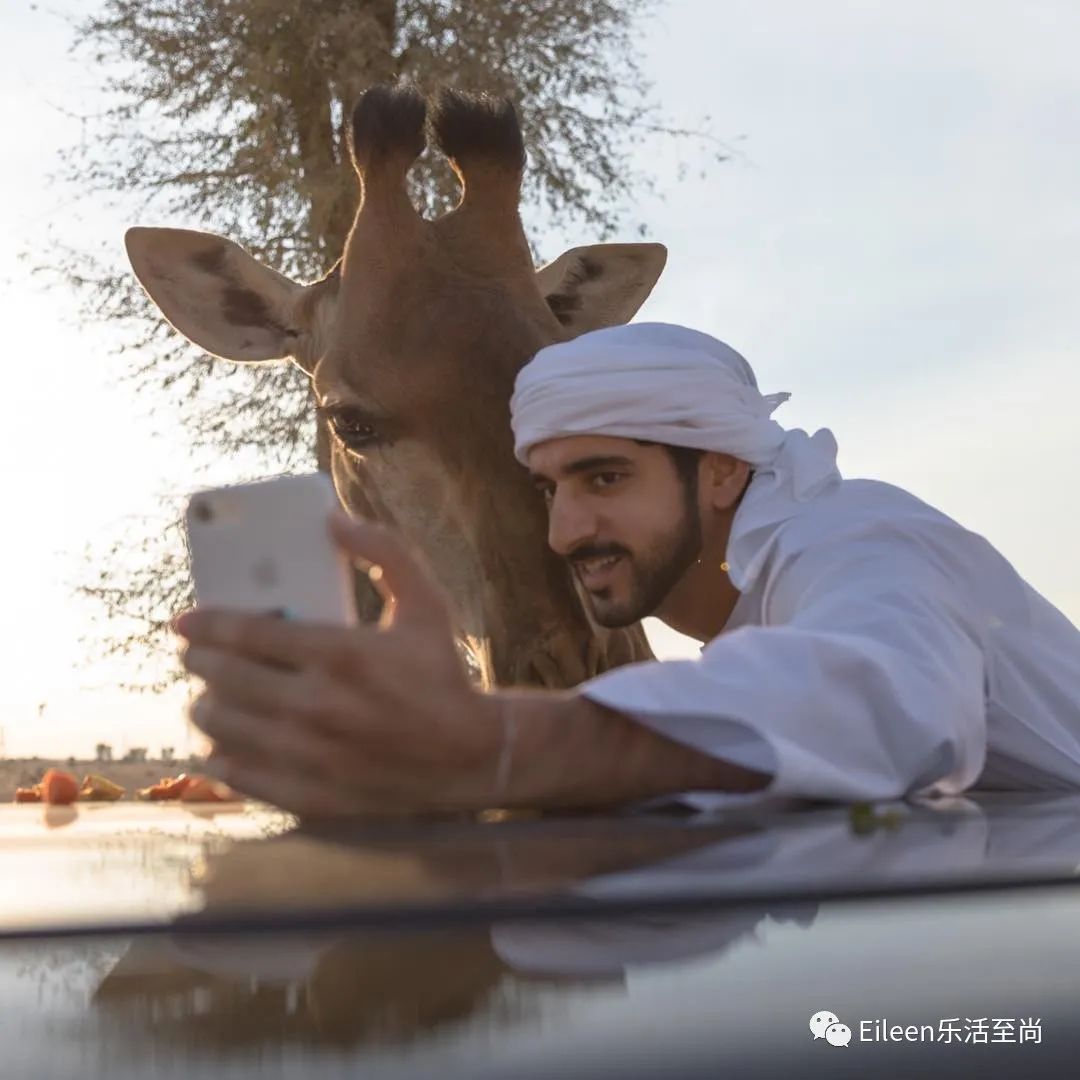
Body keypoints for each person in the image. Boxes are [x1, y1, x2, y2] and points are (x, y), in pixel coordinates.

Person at [174, 323, 1080, 817]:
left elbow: (888, 703)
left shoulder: (863, 537)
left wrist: (491, 747)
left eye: (605, 478)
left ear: (721, 468)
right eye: (549, 489)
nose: (567, 531)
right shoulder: (761, 608)